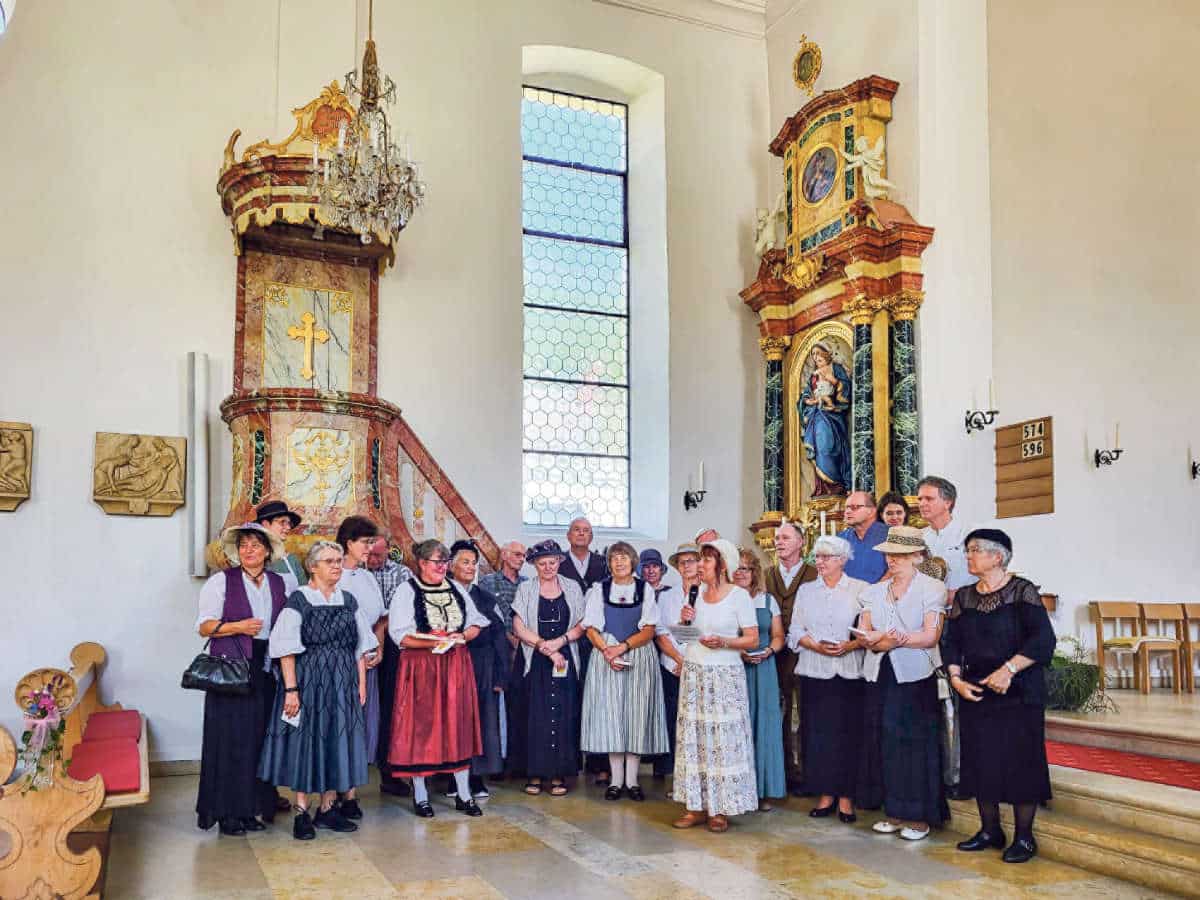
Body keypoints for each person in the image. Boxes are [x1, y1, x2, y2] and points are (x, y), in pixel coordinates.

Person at [942, 529, 1055, 864]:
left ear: (998, 556)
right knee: (980, 760)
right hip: (976, 689)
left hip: (1019, 689)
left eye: (975, 550)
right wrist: (956, 679)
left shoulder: (1023, 592)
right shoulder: (964, 597)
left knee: (1021, 761)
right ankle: (990, 829)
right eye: (968, 550)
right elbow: (951, 643)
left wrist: (1009, 670)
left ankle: (1024, 837)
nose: (968, 556)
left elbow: (1042, 641)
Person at [258, 540, 378, 840]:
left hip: (342, 683)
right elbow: (285, 649)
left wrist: (360, 684)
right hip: (309, 681)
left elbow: (360, 647)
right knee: (306, 741)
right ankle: (301, 811)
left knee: (335, 741)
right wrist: (291, 690)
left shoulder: (348, 600)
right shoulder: (299, 600)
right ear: (312, 567)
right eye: (329, 561)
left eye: (338, 560)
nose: (336, 566)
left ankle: (327, 809)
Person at [194, 523, 289, 836]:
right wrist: (239, 626)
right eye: (244, 545)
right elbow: (205, 627)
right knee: (229, 741)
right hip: (232, 669)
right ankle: (227, 813)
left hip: (264, 667)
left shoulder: (278, 583)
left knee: (258, 740)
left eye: (255, 545)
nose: (249, 550)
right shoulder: (221, 581)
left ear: (267, 551)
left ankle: (250, 809)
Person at [386, 539, 490, 818]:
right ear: (421, 563)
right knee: (422, 727)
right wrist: (433, 642)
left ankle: (464, 794)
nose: (442, 567)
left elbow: (476, 623)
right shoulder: (406, 591)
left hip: (455, 664)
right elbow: (400, 635)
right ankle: (420, 795)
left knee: (459, 724)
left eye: (445, 562)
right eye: (437, 562)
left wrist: (461, 636)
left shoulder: (455, 588)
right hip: (422, 667)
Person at [857, 526, 948, 841]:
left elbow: (931, 634)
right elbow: (864, 629)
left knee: (913, 742)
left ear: (916, 556)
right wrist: (874, 641)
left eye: (897, 555)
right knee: (885, 739)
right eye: (888, 555)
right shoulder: (873, 590)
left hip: (914, 675)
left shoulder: (932, 588)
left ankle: (918, 816)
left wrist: (897, 640)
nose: (891, 560)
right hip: (879, 672)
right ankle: (893, 811)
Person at [672, 539, 760, 833]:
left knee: (721, 741)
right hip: (695, 672)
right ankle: (694, 806)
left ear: (722, 566)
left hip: (724, 675)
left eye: (706, 561)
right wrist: (684, 621)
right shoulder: (694, 593)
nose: (699, 566)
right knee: (695, 740)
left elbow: (752, 639)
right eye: (699, 560)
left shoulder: (739, 597)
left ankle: (719, 809)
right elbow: (685, 637)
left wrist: (724, 641)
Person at [787, 536, 868, 823]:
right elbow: (795, 630)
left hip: (849, 673)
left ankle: (846, 798)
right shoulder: (807, 591)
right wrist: (815, 645)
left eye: (826, 557)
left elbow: (870, 631)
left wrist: (851, 645)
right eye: (817, 557)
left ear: (842, 560)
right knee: (817, 734)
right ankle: (825, 794)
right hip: (814, 670)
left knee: (848, 735)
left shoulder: (860, 589)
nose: (819, 562)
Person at [580, 542, 668, 802]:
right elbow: (590, 628)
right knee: (612, 717)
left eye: (624, 558)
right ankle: (616, 780)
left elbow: (650, 629)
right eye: (614, 559)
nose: (619, 563)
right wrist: (608, 651)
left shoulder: (645, 590)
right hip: (606, 655)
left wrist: (624, 647)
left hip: (638, 654)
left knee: (636, 716)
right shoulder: (599, 589)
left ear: (633, 562)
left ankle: (633, 780)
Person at [509, 540, 587, 796]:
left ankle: (558, 775)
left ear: (559, 562)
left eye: (552, 562)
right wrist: (544, 646)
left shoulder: (573, 587)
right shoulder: (526, 589)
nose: (548, 567)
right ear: (534, 565)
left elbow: (582, 624)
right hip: (535, 659)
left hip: (565, 657)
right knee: (534, 716)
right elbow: (518, 626)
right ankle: (533, 774)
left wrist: (560, 643)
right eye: (542, 564)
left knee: (564, 716)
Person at [333, 516, 386, 820]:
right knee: (343, 725)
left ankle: (351, 792)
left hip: (369, 661)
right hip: (342, 662)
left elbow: (379, 618)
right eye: (365, 542)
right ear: (348, 543)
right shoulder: (334, 575)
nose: (370, 548)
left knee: (363, 726)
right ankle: (338, 790)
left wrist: (377, 647)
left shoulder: (367, 577)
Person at [448, 539, 510, 800]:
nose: (471, 567)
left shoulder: (486, 598)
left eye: (474, 563)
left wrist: (500, 675)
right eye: (465, 562)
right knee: (452, 721)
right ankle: (450, 777)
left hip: (482, 666)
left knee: (482, 721)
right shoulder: (442, 593)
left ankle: (476, 777)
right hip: (450, 664)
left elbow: (500, 637)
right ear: (450, 565)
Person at [762, 520, 817, 795]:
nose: (778, 542)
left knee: (806, 711)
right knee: (778, 712)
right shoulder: (766, 574)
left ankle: (808, 772)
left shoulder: (814, 573)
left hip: (806, 653)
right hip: (775, 655)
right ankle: (782, 770)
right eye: (776, 538)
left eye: (785, 537)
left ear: (800, 543)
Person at [557, 517, 611, 784]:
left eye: (586, 530)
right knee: (569, 699)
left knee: (598, 699)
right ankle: (569, 761)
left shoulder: (603, 564)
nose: (581, 534)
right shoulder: (558, 563)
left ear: (592, 537)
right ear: (568, 535)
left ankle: (598, 761)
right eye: (577, 530)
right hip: (566, 641)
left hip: (597, 641)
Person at [733, 548, 786, 811]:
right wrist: (739, 652)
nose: (741, 573)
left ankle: (764, 789)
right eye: (737, 568)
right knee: (737, 726)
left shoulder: (767, 601)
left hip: (764, 668)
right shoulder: (726, 599)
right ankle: (738, 789)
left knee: (763, 725)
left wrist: (768, 651)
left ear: (755, 573)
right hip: (734, 666)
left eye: (746, 568)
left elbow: (778, 635)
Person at [365, 534, 412, 797]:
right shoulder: (355, 572)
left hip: (392, 647)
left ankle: (390, 773)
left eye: (378, 555)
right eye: (369, 554)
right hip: (357, 642)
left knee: (390, 708)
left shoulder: (402, 573)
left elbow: (396, 611)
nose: (372, 560)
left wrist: (380, 633)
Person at [477, 540, 526, 779]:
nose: (521, 558)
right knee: (498, 705)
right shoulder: (488, 583)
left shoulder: (528, 584)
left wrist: (523, 640)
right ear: (505, 556)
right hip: (499, 650)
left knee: (521, 704)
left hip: (526, 648)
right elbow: (490, 617)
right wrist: (509, 638)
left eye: (524, 555)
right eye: (517, 554)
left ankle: (518, 759)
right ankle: (498, 760)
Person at [653, 543, 700, 780]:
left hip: (700, 665)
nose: (687, 566)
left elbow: (705, 632)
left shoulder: (709, 593)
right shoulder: (667, 596)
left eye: (691, 560)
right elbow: (661, 632)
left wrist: (690, 660)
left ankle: (694, 769)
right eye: (682, 562)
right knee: (671, 717)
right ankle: (670, 769)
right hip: (671, 665)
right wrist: (678, 658)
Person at [917, 476, 973, 599]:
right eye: (920, 499)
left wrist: (955, 596)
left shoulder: (969, 534)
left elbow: (988, 574)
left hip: (964, 610)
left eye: (929, 499)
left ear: (947, 503)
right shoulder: (917, 537)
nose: (922, 504)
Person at [839, 491, 889, 583]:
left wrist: (873, 591)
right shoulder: (840, 539)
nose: (848, 511)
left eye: (855, 507)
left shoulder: (890, 535)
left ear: (872, 511)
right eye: (846, 507)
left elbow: (899, 568)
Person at [255, 500, 305, 588]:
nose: (288, 527)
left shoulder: (292, 560)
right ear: (265, 524)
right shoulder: (251, 558)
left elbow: (305, 595)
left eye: (289, 523)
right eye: (282, 522)